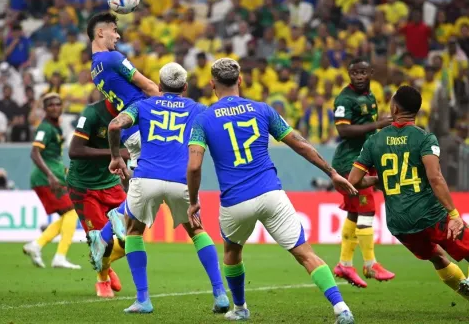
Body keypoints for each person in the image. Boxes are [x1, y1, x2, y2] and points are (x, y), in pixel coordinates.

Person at [186, 58, 356, 323]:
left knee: (232, 253)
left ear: (212, 84)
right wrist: (331, 172)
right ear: (240, 80)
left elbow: (194, 167)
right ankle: (341, 308)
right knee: (305, 253)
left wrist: (194, 201)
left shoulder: (203, 119)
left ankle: (240, 308)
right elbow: (299, 144)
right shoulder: (263, 110)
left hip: (235, 202)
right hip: (271, 194)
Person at [107, 62, 230, 314]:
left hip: (146, 177)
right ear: (185, 87)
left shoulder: (142, 105)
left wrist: (115, 157)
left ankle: (143, 299)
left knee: (133, 232)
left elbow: (114, 126)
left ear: (159, 86)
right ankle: (219, 294)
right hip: (180, 179)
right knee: (196, 231)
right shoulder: (198, 109)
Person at [348, 85, 469, 301]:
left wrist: (382, 179)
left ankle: (465, 293)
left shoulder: (374, 141)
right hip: (429, 215)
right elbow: (435, 178)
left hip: (399, 225)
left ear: (394, 108)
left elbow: (354, 181)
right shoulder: (424, 139)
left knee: (436, 257)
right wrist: (453, 215)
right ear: (417, 111)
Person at [332, 58, 395, 288]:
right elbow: (343, 129)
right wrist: (377, 125)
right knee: (367, 207)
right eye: (354, 73)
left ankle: (345, 264)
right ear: (349, 74)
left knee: (354, 213)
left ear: (370, 73)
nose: (358, 76)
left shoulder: (370, 96)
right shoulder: (345, 99)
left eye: (362, 72)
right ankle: (370, 263)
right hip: (349, 161)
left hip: (363, 159)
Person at [67, 99, 129, 298]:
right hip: (84, 187)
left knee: (131, 237)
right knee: (104, 241)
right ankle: (102, 280)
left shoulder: (132, 113)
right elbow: (74, 151)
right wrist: (115, 153)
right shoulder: (92, 113)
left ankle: (104, 263)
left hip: (110, 183)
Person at [87, 11, 160, 169]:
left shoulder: (94, 70)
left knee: (142, 184)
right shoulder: (112, 57)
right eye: (114, 30)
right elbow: (147, 85)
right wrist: (173, 104)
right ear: (100, 32)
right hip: (143, 124)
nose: (118, 36)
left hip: (128, 133)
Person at [24, 93, 80, 270]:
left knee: (68, 214)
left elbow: (53, 157)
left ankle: (37, 245)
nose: (55, 107)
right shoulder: (45, 128)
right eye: (50, 105)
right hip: (46, 179)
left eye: (58, 104)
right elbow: (34, 152)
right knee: (72, 212)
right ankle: (59, 256)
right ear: (44, 109)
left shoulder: (56, 128)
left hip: (54, 177)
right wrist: (50, 175)